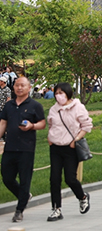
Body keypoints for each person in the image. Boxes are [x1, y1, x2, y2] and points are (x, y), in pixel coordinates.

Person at [0, 77, 46, 222]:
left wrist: (32, 126)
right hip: (10, 147)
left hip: (26, 148)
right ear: (13, 87)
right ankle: (24, 195)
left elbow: (42, 123)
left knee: (25, 179)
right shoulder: (9, 105)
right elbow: (3, 122)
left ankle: (19, 210)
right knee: (7, 177)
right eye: (17, 85)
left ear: (29, 87)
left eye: (22, 85)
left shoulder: (35, 105)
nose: (19, 88)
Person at [46, 82, 93, 221]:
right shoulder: (54, 109)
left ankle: (83, 197)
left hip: (70, 148)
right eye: (56, 93)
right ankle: (56, 209)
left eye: (61, 93)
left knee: (70, 178)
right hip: (55, 147)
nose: (58, 96)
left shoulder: (78, 107)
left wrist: (76, 139)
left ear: (68, 93)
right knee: (54, 179)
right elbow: (51, 124)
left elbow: (87, 125)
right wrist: (50, 137)